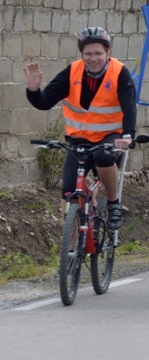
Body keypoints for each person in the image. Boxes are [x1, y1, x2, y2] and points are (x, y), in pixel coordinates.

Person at [24, 27, 137, 230]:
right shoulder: (72, 72)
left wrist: (128, 136)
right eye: (88, 54)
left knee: (103, 156)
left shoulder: (119, 72)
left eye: (98, 53)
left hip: (109, 138)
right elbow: (44, 102)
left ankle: (113, 204)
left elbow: (129, 106)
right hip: (79, 142)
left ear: (108, 53)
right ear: (82, 54)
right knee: (68, 192)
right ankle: (70, 253)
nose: (93, 58)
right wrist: (33, 90)